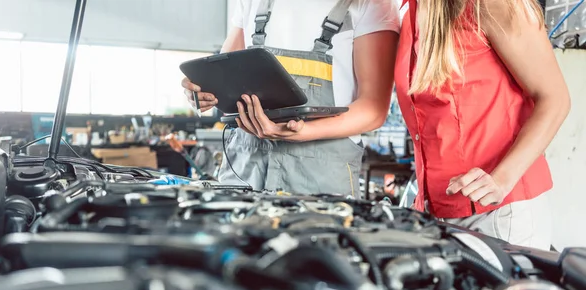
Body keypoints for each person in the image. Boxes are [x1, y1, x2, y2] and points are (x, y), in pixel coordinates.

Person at [395, 0, 570, 250]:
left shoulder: (488, 4)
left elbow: (555, 99)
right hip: (441, 213)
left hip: (500, 215)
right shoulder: (410, 10)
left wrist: (501, 180)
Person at [182, 0, 400, 198]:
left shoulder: (370, 4)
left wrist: (303, 132)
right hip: (244, 169)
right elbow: (223, 78)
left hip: (321, 179)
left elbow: (373, 110)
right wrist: (203, 93)